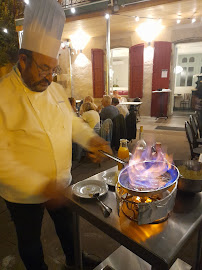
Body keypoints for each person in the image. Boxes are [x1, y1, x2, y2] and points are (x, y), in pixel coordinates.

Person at [0, 1, 112, 270]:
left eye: (53, 69)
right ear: (23, 60)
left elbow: (72, 123)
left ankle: (76, 261)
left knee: (68, 229)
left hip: (62, 183)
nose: (49, 78)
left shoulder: (55, 90)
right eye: (42, 69)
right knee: (30, 242)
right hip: (22, 195)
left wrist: (91, 139)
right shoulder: (3, 96)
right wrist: (40, 185)